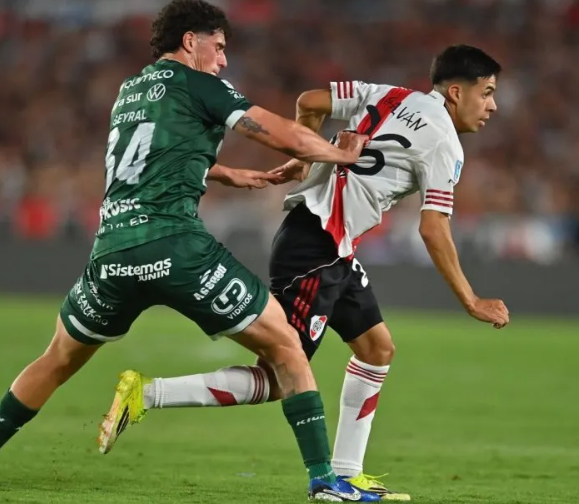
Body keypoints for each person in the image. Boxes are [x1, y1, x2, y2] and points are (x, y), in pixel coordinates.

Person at [0, 1, 377, 501]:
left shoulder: (130, 90)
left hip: (111, 252)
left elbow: (145, 158)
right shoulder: (197, 82)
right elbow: (275, 131)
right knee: (286, 346)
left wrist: (218, 172)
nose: (222, 61)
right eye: (218, 48)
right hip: (175, 247)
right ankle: (324, 481)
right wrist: (338, 152)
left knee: (57, 359)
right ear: (190, 41)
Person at [100, 44, 510, 501]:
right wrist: (470, 300)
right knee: (278, 377)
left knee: (377, 348)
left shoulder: (389, 95)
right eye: (487, 93)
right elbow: (433, 227)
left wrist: (305, 157)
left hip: (328, 245)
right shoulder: (445, 144)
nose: (492, 105)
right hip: (315, 248)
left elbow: (311, 101)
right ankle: (148, 394)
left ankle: (349, 472)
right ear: (456, 92)